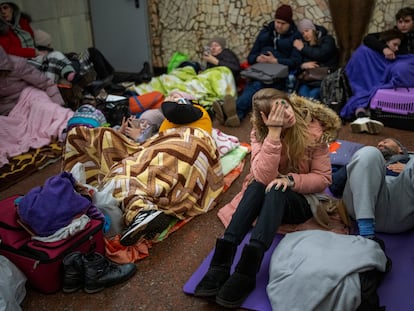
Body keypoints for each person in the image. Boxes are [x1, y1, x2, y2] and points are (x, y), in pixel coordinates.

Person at [194, 88, 341, 308]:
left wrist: (291, 181)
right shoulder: (260, 133)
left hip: (301, 199)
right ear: (265, 119)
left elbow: (323, 178)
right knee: (256, 186)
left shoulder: (314, 130)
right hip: (264, 195)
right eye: (276, 112)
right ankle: (220, 265)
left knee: (276, 189)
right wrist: (273, 134)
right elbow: (261, 176)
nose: (286, 113)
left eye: (285, 105)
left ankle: (246, 271)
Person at [214, 4, 302, 127]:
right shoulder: (266, 32)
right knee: (252, 85)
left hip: (279, 77)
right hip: (260, 70)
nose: (279, 26)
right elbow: (250, 57)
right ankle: (235, 114)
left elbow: (296, 62)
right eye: (277, 22)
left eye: (283, 23)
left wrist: (275, 61)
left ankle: (232, 112)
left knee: (256, 86)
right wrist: (257, 58)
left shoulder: (295, 37)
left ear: (289, 23)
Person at [341, 7, 414, 133]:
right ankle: (361, 113)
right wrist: (384, 48)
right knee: (364, 51)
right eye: (400, 22)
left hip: (405, 66)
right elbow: (369, 38)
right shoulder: (394, 34)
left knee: (400, 68)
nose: (403, 25)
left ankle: (363, 111)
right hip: (386, 63)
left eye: (407, 21)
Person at [0, 45, 73, 167]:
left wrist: (58, 105)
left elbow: (45, 83)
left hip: (29, 96)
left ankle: (70, 126)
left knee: (46, 110)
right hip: (10, 110)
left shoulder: (17, 64)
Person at [338, 137, 414, 241]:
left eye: (386, 142)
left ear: (400, 149)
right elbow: (335, 186)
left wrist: (408, 169)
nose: (380, 144)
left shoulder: (409, 162)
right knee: (369, 152)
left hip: (401, 207)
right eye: (379, 143)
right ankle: (367, 235)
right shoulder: (370, 157)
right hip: (359, 208)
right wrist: (360, 163)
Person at [294, 18, 339, 100]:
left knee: (312, 96)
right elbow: (296, 62)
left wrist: (303, 49)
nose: (305, 35)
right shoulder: (304, 44)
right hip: (308, 80)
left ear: (313, 29)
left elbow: (321, 54)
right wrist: (303, 65)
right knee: (302, 97)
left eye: (307, 31)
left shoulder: (327, 40)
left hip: (323, 80)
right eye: (303, 33)